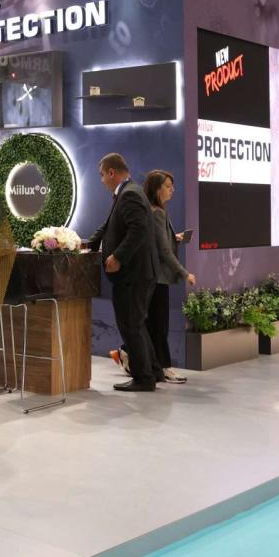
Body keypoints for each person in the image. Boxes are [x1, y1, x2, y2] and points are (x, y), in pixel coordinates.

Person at [85, 153, 161, 392]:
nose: (101, 181)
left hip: (133, 274)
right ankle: (153, 371)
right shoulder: (128, 192)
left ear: (111, 172)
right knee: (136, 324)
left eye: (102, 175)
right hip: (137, 273)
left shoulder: (129, 194)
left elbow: (139, 229)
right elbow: (110, 226)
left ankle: (144, 378)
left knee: (130, 325)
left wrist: (118, 256)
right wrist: (88, 244)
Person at [143, 170, 196, 384]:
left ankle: (149, 363)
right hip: (158, 278)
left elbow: (160, 242)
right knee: (159, 325)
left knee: (153, 324)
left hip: (152, 277)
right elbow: (164, 251)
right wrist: (184, 273)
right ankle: (164, 367)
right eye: (167, 186)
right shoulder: (157, 213)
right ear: (156, 189)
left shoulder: (153, 210)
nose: (172, 190)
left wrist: (174, 238)